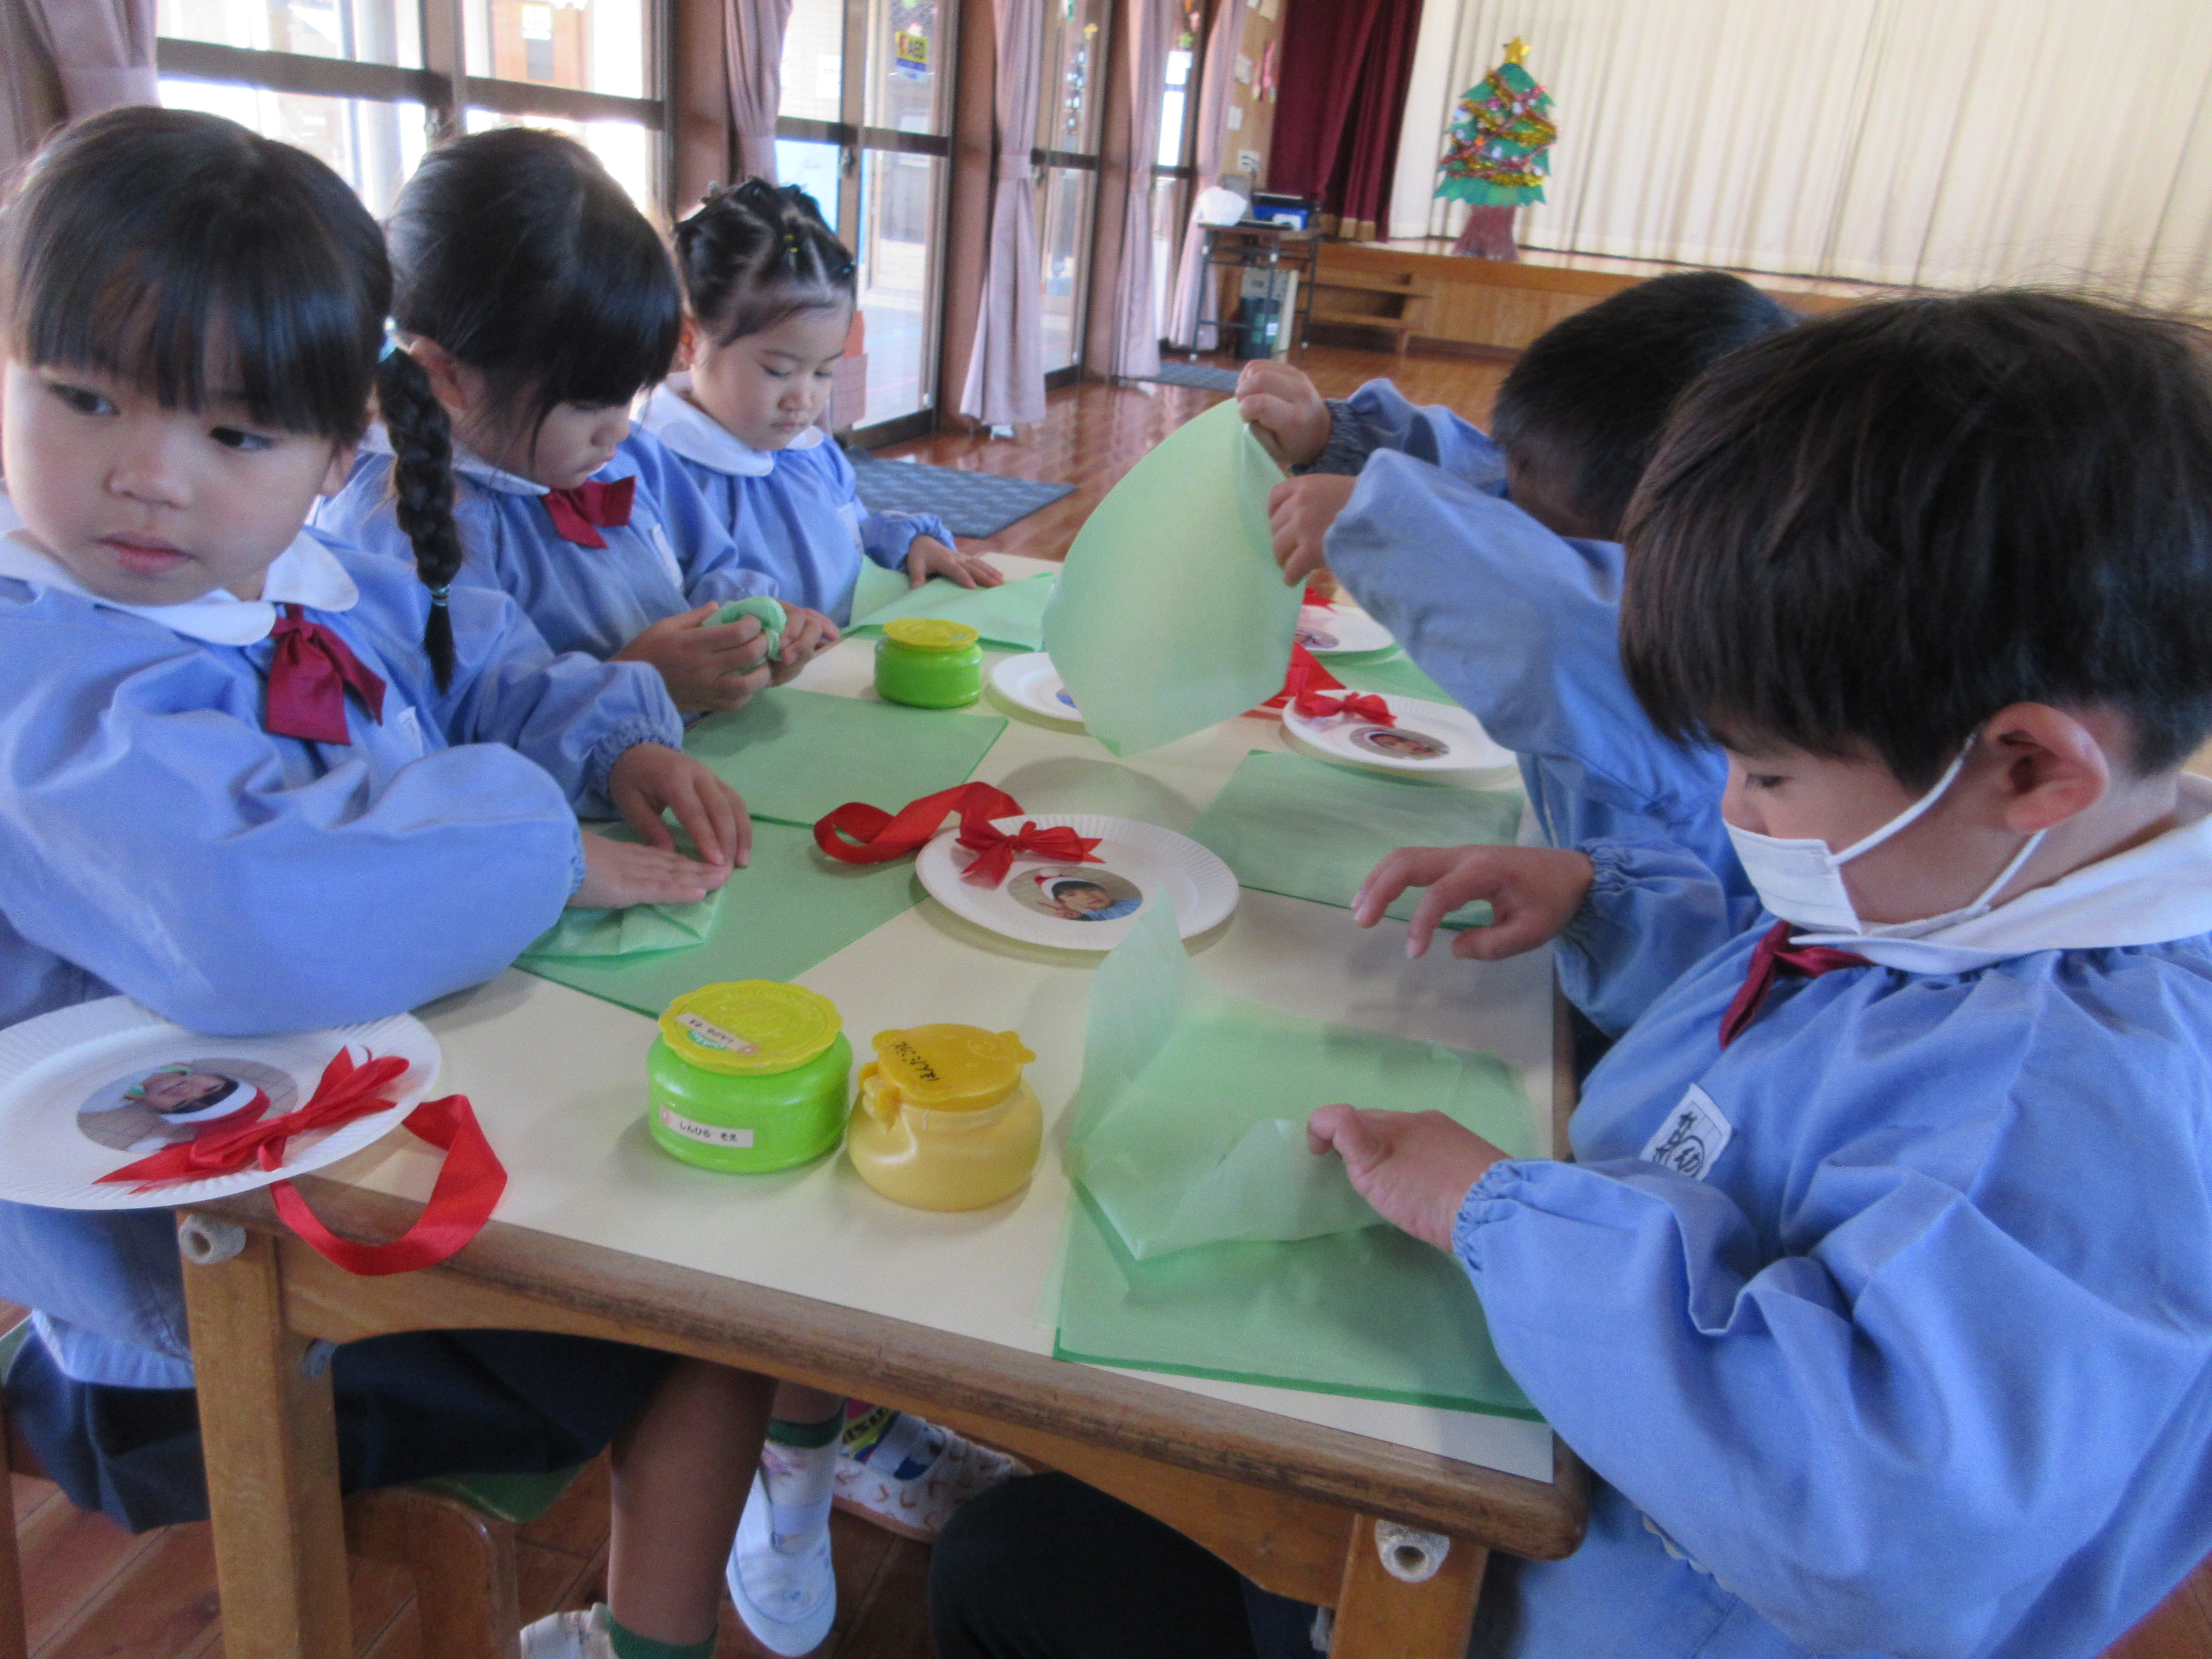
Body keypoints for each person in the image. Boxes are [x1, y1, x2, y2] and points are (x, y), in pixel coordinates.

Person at [933, 291, 2212, 1658]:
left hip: (1583, 1604)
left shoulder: (2069, 1112)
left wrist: (1498, 1215)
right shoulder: (1967, 903)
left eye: (1767, 772)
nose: (1734, 807)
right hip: (1530, 1469)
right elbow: (1787, 1047)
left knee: (1018, 1571)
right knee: (1034, 1542)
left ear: (2029, 767)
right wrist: (1607, 903)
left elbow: (1867, 1515)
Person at [0, 108, 774, 1659]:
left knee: (724, 1215)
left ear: (335, 447)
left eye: (233, 435)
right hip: (206, 1313)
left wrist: (612, 736)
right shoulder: (49, 673)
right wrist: (542, 847)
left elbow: (473, 659)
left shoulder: (303, 571)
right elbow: (253, 905)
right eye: (84, 398)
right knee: (715, 1308)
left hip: (366, 1172)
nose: (147, 478)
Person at [1240, 272, 1795, 897]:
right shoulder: (1597, 505)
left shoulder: (1701, 656)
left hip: (1664, 934)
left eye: (1548, 537)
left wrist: (1381, 520)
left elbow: (1553, 630)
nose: (1511, 524)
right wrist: (1335, 436)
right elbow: (1490, 488)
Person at [315, 128, 830, 716]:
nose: (619, 431)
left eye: (630, 395)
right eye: (589, 403)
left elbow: (709, 566)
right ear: (446, 375)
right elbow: (457, 726)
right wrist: (638, 684)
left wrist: (752, 623)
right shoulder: (396, 524)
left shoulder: (622, 458)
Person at [642, 178, 998, 626]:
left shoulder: (811, 453)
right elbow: (662, 616)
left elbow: (850, 537)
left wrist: (910, 544)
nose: (804, 399)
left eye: (824, 371)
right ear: (691, 340)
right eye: (778, 371)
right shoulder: (656, 472)